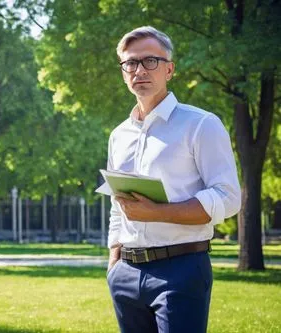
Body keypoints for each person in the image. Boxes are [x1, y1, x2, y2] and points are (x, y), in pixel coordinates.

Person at [105, 26, 241, 333]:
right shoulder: (119, 135)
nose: (139, 70)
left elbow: (229, 196)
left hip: (181, 268)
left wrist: (157, 213)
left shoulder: (201, 124)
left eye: (150, 61)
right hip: (126, 273)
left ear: (170, 69)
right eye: (130, 63)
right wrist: (114, 261)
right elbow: (118, 205)